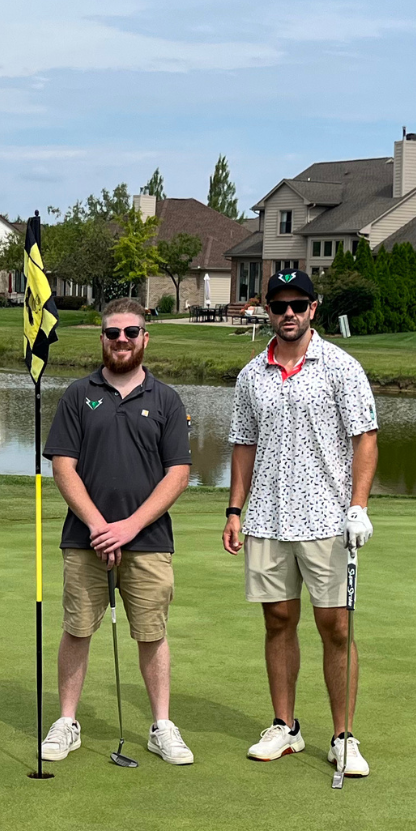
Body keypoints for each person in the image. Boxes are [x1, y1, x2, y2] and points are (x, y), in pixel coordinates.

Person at [223, 269, 378, 776]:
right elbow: (243, 444)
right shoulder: (251, 375)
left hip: (328, 519)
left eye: (297, 304)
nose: (287, 313)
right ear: (267, 310)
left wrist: (359, 505)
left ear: (313, 308)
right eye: (278, 305)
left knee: (336, 627)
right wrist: (234, 509)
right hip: (267, 517)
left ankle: (343, 737)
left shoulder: (341, 367)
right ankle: (285, 727)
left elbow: (365, 437)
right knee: (277, 621)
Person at [41, 297, 194, 765]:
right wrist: (99, 526)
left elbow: (178, 474)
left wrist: (128, 527)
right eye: (113, 333)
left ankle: (162, 726)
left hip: (148, 541)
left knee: (151, 632)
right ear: (102, 338)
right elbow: (63, 467)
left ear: (145, 338)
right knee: (77, 629)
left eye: (130, 332)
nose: (121, 340)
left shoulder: (166, 399)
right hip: (85, 539)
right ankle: (67, 721)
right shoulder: (77, 394)